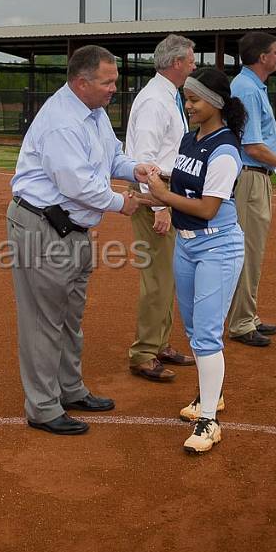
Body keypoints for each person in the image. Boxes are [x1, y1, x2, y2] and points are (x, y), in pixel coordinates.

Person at [7, 44, 154, 436]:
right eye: (107, 82)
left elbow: (112, 159)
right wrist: (123, 203)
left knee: (69, 317)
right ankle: (42, 406)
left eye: (115, 81)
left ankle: (69, 389)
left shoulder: (94, 114)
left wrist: (136, 168)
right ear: (81, 82)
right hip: (43, 227)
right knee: (43, 321)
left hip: (73, 230)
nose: (114, 89)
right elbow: (78, 185)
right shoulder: (62, 121)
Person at [143, 68, 248, 453]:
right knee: (194, 328)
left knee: (205, 334)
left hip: (217, 246)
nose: (187, 105)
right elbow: (182, 182)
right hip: (187, 246)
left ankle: (209, 422)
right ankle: (211, 395)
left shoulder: (225, 149)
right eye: (186, 98)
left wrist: (161, 195)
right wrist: (153, 187)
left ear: (216, 103)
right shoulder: (191, 138)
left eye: (194, 99)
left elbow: (206, 207)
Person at [123, 34, 198, 383]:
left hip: (165, 191)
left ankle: (160, 343)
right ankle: (143, 353)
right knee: (157, 277)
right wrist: (159, 207)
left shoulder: (167, 96)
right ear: (176, 63)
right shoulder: (155, 100)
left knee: (168, 275)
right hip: (154, 192)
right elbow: (145, 159)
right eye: (191, 58)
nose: (194, 64)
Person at [227, 32, 276, 347]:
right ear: (262, 57)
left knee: (254, 249)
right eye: (275, 52)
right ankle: (241, 322)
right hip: (249, 176)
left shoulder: (251, 86)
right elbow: (251, 145)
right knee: (248, 249)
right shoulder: (246, 89)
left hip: (257, 173)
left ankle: (248, 314)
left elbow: (260, 142)